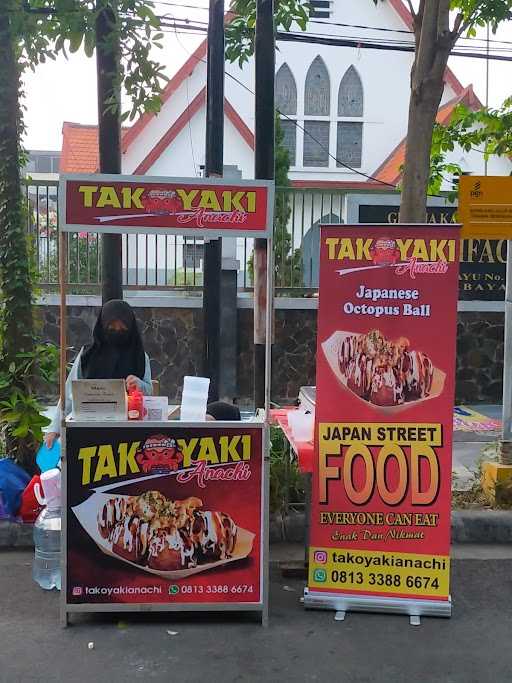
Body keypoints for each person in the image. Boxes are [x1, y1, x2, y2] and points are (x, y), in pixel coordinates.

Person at [45, 300, 152, 448]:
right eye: (111, 327)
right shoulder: (87, 355)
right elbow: (70, 391)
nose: (117, 331)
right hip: (89, 433)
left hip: (129, 436)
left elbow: (150, 392)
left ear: (131, 328)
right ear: (102, 326)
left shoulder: (140, 357)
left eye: (122, 328)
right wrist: (54, 429)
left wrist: (138, 384)